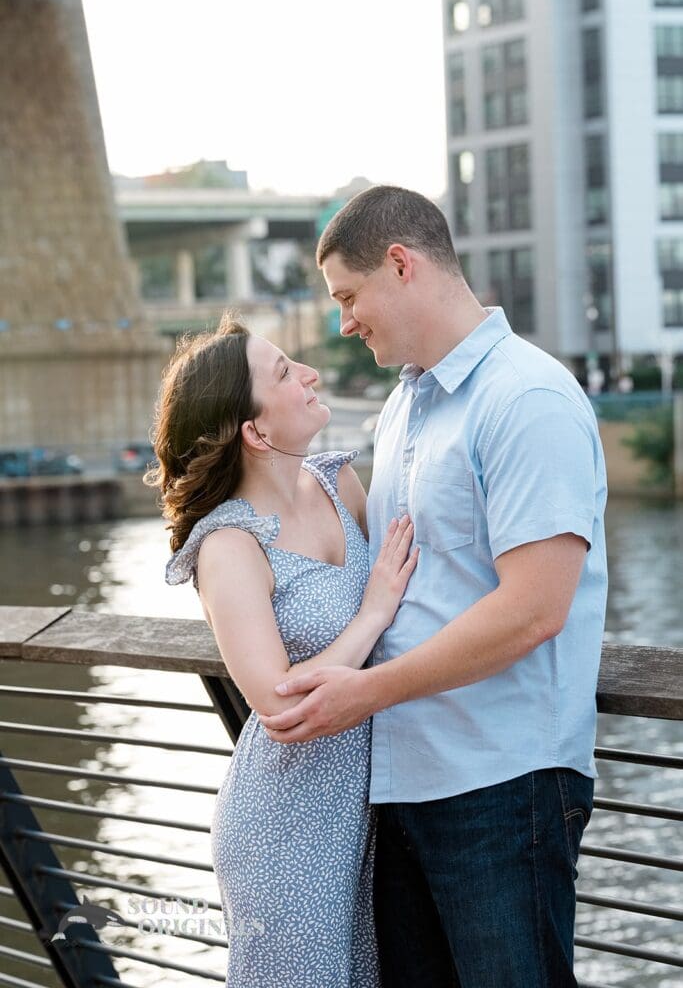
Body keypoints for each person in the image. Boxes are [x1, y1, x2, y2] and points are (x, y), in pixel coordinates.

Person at [261, 185, 609, 988]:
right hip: (401, 782)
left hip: (503, 783)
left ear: (400, 264)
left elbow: (533, 609)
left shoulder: (525, 396)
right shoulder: (403, 405)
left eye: (348, 296)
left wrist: (364, 692)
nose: (344, 321)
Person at [149, 314, 418, 987]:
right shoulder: (228, 546)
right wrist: (373, 611)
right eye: (284, 372)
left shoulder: (338, 483)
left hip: (370, 818)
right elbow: (277, 702)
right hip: (284, 830)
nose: (310, 375)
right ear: (256, 431)